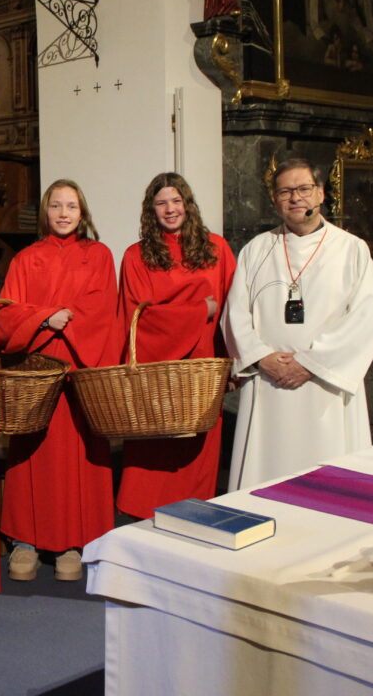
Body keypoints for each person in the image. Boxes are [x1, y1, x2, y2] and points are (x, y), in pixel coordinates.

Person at [222, 159, 373, 489]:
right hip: (269, 383)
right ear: (274, 200)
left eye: (304, 189)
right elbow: (235, 313)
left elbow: (366, 317)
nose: (296, 197)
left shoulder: (351, 249)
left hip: (324, 384)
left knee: (328, 482)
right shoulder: (257, 250)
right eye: (285, 191)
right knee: (264, 480)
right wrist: (260, 356)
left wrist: (310, 364)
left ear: (321, 194)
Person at [0, 179, 116, 581]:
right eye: (56, 206)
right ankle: (24, 540)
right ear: (45, 211)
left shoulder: (98, 255)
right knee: (31, 454)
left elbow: (101, 310)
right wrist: (46, 317)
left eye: (72, 207)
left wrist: (61, 316)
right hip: (36, 371)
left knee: (79, 455)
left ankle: (73, 543)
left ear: (83, 213)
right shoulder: (26, 258)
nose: (64, 214)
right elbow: (7, 315)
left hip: (79, 367)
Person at [115, 173, 236, 517]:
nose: (170, 209)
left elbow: (233, 309)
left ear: (188, 203)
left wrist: (232, 363)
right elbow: (139, 317)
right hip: (157, 369)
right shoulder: (136, 256)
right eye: (161, 202)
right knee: (151, 450)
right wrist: (201, 310)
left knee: (196, 454)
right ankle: (142, 521)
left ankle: (192, 519)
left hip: (203, 369)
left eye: (176, 200)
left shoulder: (216, 249)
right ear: (150, 210)